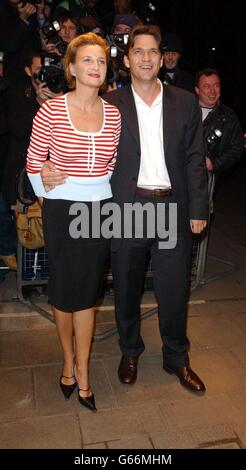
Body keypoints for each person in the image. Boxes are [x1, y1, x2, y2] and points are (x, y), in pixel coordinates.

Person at [40, 24, 209, 394]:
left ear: (161, 57)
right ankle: (130, 350)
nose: (146, 58)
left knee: (174, 289)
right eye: (139, 51)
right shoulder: (111, 105)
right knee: (127, 288)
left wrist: (199, 207)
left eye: (153, 51)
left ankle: (177, 357)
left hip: (171, 209)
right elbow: (74, 132)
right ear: (128, 58)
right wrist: (44, 171)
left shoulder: (184, 102)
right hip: (126, 209)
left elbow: (196, 159)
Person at [26, 33, 121, 411]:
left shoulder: (114, 114)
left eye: (100, 61)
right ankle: (67, 360)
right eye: (87, 60)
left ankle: (82, 371)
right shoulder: (51, 111)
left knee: (88, 295)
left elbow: (111, 166)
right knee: (64, 296)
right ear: (71, 68)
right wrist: (49, 193)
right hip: (62, 211)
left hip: (99, 211)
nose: (95, 67)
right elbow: (34, 164)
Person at [195, 68, 243, 175]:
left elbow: (237, 148)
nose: (212, 91)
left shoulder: (229, 116)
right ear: (197, 90)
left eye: (216, 86)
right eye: (207, 86)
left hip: (207, 180)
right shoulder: (185, 111)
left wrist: (214, 164)